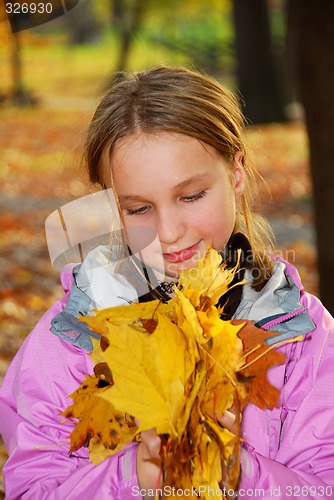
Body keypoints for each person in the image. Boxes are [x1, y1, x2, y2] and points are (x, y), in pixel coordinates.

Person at [0, 65, 334, 500]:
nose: (169, 231)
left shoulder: (304, 339)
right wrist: (133, 478)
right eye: (139, 209)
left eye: (190, 196)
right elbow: (33, 488)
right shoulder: (71, 339)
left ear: (236, 174)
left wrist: (237, 474)